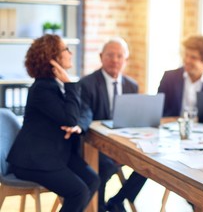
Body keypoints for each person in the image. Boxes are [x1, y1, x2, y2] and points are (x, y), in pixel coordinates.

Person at [7, 34, 100, 212]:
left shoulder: (53, 85)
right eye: (66, 49)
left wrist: (76, 126)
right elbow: (70, 118)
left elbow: (81, 112)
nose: (71, 52)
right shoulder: (43, 88)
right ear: (53, 57)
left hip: (54, 151)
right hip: (33, 160)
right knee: (78, 192)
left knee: (92, 179)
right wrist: (69, 83)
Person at [78, 37, 144, 212]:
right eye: (110, 55)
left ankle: (118, 200)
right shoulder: (87, 84)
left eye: (119, 56)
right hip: (96, 145)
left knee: (149, 163)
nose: (115, 60)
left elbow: (132, 119)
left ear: (126, 60)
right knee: (105, 165)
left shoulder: (132, 85)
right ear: (101, 57)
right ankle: (98, 207)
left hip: (124, 143)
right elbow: (85, 118)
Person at [158, 35, 203, 117]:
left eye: (193, 57)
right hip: (171, 126)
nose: (187, 60)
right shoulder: (169, 78)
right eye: (186, 55)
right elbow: (158, 111)